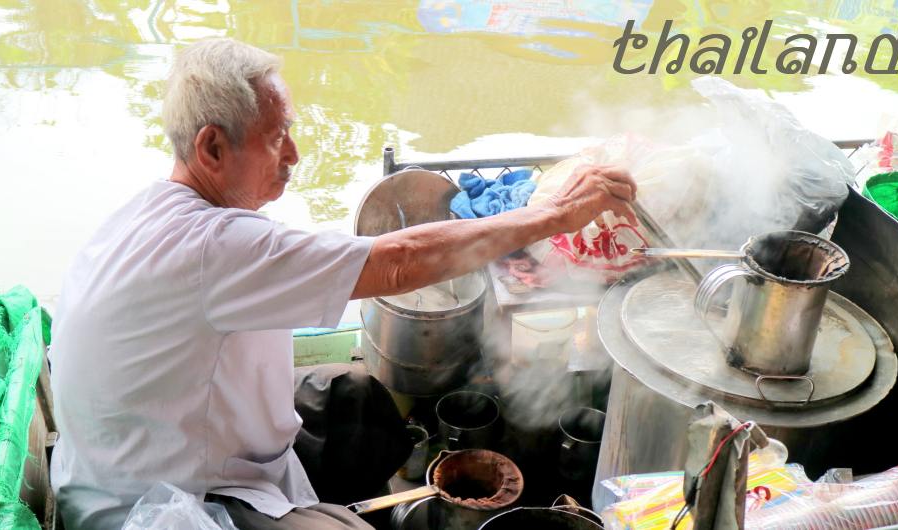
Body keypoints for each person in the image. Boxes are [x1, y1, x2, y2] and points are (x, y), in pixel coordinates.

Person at [48, 38, 638, 530]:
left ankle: (351, 506)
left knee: (352, 396)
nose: (296, 154)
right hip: (161, 504)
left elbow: (357, 261)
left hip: (188, 446)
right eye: (277, 137)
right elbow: (399, 263)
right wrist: (556, 216)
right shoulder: (210, 247)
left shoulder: (165, 215)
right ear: (212, 146)